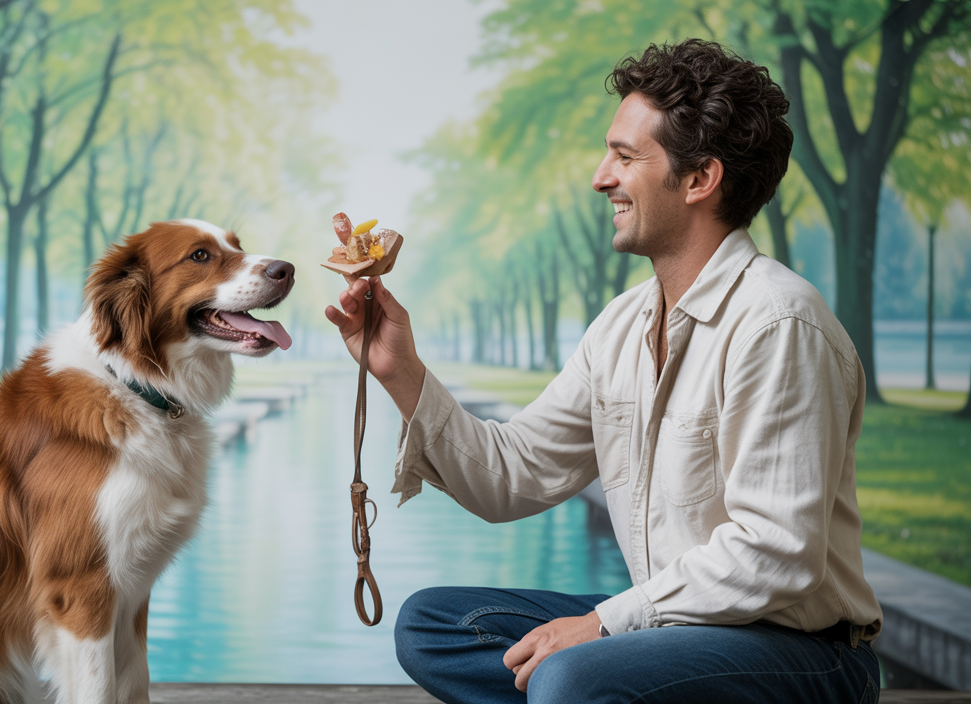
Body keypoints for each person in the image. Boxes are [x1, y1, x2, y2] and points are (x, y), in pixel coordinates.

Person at [324, 39, 883, 704]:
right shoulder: (620, 326)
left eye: (623, 156)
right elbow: (514, 473)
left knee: (570, 674)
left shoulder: (779, 325)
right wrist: (399, 369)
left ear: (700, 178)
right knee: (436, 626)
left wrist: (602, 624)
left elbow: (775, 555)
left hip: (801, 651)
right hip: (676, 626)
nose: (599, 177)